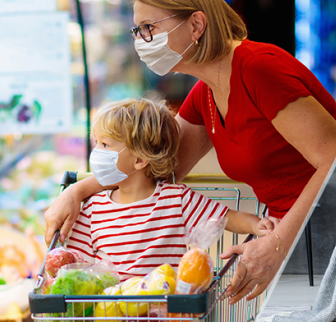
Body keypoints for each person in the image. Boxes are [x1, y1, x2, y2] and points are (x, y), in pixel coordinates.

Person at [45, 0, 336, 303]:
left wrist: (275, 247)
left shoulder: (259, 69)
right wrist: (77, 191)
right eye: (137, 31)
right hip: (292, 237)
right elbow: (154, 165)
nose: (142, 41)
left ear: (196, 24)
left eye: (150, 27)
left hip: (335, 237)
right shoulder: (206, 93)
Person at [65, 98, 274, 281]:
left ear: (139, 160)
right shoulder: (92, 209)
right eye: (97, 143)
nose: (97, 152)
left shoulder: (176, 199)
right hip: (110, 317)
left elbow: (227, 218)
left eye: (105, 145)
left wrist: (257, 225)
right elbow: (76, 264)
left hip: (166, 317)